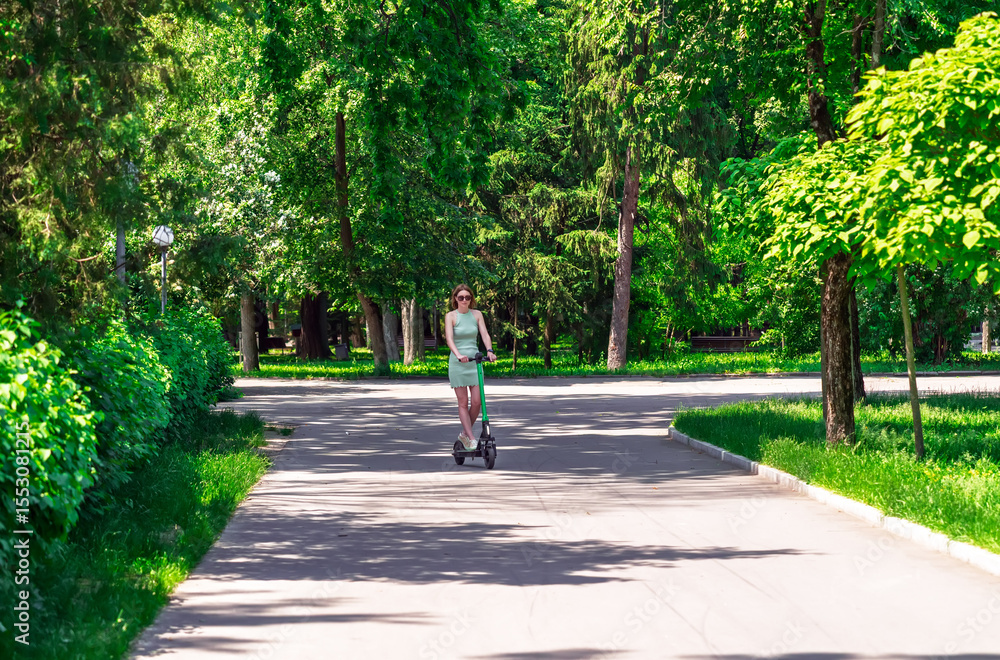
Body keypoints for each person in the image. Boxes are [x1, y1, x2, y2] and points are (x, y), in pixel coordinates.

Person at [445, 284, 496, 449]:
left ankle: (464, 434)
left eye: (467, 297)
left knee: (477, 402)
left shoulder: (477, 314)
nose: (464, 300)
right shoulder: (451, 316)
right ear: (455, 299)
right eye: (461, 297)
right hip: (458, 363)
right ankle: (471, 437)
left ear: (471, 299)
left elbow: (485, 334)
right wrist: (458, 355)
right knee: (463, 402)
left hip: (475, 362)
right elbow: (449, 339)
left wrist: (489, 351)